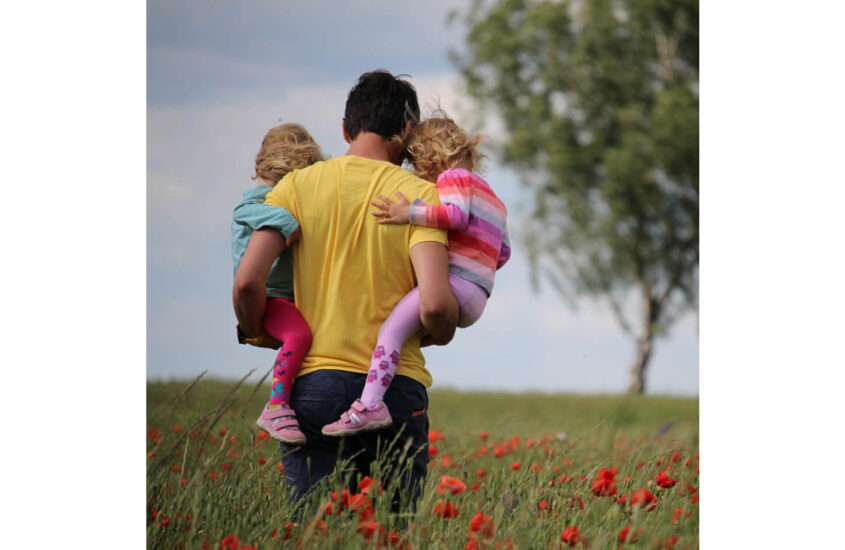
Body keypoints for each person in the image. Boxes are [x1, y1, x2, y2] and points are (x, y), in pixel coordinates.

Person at [232, 70, 459, 508]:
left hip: (313, 385)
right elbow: (433, 304)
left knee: (317, 530)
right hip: (395, 391)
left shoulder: (295, 187)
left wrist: (258, 329)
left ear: (344, 128)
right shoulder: (422, 198)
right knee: (391, 533)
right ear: (407, 132)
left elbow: (246, 281)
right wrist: (443, 328)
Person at [321, 113, 511, 436]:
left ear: (431, 157)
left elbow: (455, 216)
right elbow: (503, 252)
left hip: (456, 285)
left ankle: (369, 405)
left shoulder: (453, 179)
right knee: (407, 332)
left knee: (390, 332)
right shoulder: (494, 199)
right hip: (479, 294)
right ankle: (380, 387)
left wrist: (408, 212)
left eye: (416, 164)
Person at [231, 123, 323, 444]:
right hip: (269, 297)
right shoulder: (260, 200)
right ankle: (276, 405)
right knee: (299, 334)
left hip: (285, 297)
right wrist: (285, 220)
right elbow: (245, 210)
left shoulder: (279, 197)